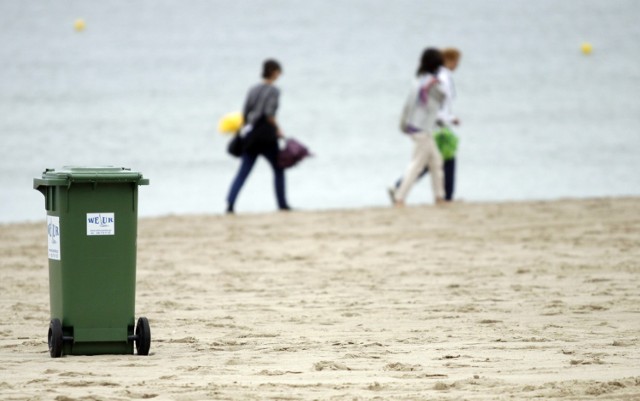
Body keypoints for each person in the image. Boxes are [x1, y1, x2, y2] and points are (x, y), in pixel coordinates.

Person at [390, 47, 462, 201]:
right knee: (417, 165)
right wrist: (448, 119)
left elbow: (409, 105)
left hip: (416, 127)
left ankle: (440, 197)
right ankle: (399, 196)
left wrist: (403, 124)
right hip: (422, 129)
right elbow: (436, 107)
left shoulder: (419, 81)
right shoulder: (433, 84)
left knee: (436, 162)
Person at [226, 59, 291, 213]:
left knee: (243, 172)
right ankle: (282, 204)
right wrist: (279, 130)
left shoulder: (253, 89)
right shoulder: (274, 91)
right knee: (278, 169)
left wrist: (244, 130)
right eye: (278, 71)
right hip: (267, 136)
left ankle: (230, 204)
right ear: (274, 71)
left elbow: (245, 112)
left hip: (251, 136)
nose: (279, 74)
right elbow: (269, 114)